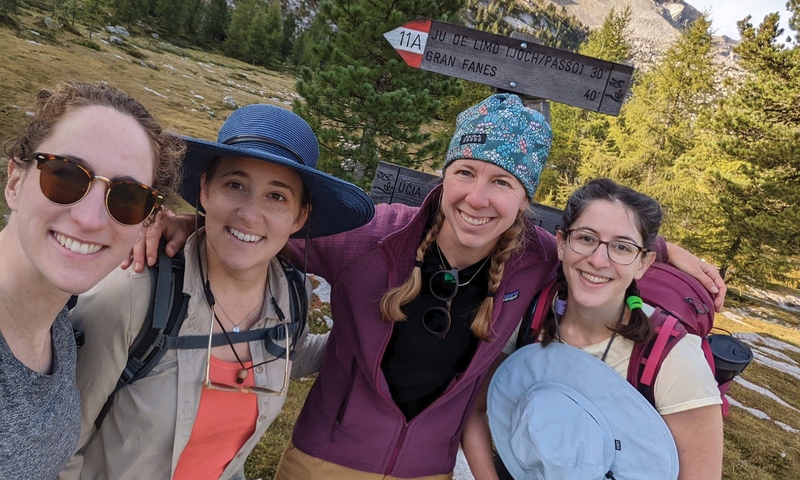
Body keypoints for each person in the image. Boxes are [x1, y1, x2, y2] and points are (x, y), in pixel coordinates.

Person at [138, 94, 726, 479]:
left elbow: (601, 248)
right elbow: (263, 228)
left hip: (431, 471)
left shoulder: (538, 258)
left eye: (502, 182)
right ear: (444, 177)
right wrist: (186, 220)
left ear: (525, 200)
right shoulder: (370, 236)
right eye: (465, 172)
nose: (478, 196)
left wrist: (666, 250)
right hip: (324, 461)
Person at [58, 104, 375, 480]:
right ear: (205, 190)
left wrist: (375, 329)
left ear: (300, 217)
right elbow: (58, 448)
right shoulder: (131, 297)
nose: (250, 214)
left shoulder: (290, 295)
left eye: (276, 196)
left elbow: (291, 351)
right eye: (235, 185)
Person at [471, 178, 723, 479]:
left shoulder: (675, 362)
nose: (598, 260)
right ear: (562, 243)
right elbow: (473, 408)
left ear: (643, 263)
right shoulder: (527, 316)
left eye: (622, 247)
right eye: (587, 239)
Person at [0, 82, 184, 479]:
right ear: (15, 181)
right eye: (65, 176)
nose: (90, 219)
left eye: (127, 199)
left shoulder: (59, 329)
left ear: (146, 223)